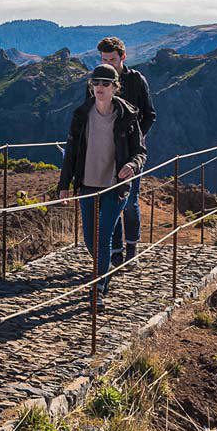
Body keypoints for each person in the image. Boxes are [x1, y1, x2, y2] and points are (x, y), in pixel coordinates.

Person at [55, 63, 147, 299]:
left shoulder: (128, 116)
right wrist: (64, 185)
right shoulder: (81, 115)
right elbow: (71, 152)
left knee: (104, 236)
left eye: (105, 83)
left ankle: (99, 287)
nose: (99, 87)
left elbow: (140, 152)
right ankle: (103, 271)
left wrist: (132, 165)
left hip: (115, 187)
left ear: (115, 87)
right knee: (89, 238)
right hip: (87, 184)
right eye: (95, 83)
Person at [97, 36, 156, 268]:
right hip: (105, 151)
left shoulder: (136, 80)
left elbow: (150, 114)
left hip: (131, 153)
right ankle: (116, 252)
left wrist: (137, 140)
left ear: (123, 57)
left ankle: (131, 249)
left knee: (129, 201)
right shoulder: (98, 80)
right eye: (104, 59)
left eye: (112, 59)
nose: (108, 64)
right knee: (111, 201)